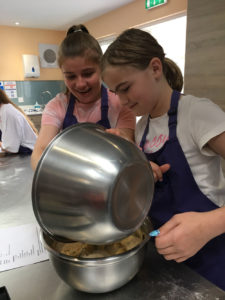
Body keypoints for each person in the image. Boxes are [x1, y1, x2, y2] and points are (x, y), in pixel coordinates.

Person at [101, 28, 225, 290]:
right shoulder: (143, 125)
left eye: (126, 88)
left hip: (213, 262)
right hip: (170, 261)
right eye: (115, 93)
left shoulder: (197, 113)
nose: (122, 101)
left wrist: (209, 225)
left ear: (155, 68)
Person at [31, 24, 135, 170]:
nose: (80, 84)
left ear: (101, 68)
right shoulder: (57, 106)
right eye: (71, 76)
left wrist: (123, 140)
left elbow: (128, 148)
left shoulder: (121, 104)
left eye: (87, 74)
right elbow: (40, 152)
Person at [0, 88, 38, 154]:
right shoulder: (4, 110)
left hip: (27, 155)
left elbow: (10, 148)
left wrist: (1, 144)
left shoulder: (6, 113)